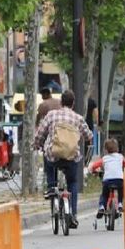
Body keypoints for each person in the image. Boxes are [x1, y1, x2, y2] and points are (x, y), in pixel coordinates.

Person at [33, 89, 92, 228]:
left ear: (61, 102)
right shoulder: (78, 118)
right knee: (72, 182)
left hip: (54, 155)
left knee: (48, 157)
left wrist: (36, 144)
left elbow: (40, 133)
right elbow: (89, 136)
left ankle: (52, 186)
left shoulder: (51, 115)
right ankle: (74, 214)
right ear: (73, 103)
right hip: (71, 156)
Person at [88, 138, 125, 218]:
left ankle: (102, 207)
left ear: (106, 150)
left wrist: (92, 171)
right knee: (121, 191)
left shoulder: (104, 158)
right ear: (117, 148)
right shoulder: (120, 157)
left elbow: (94, 166)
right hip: (119, 179)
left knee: (104, 195)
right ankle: (120, 203)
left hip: (107, 180)